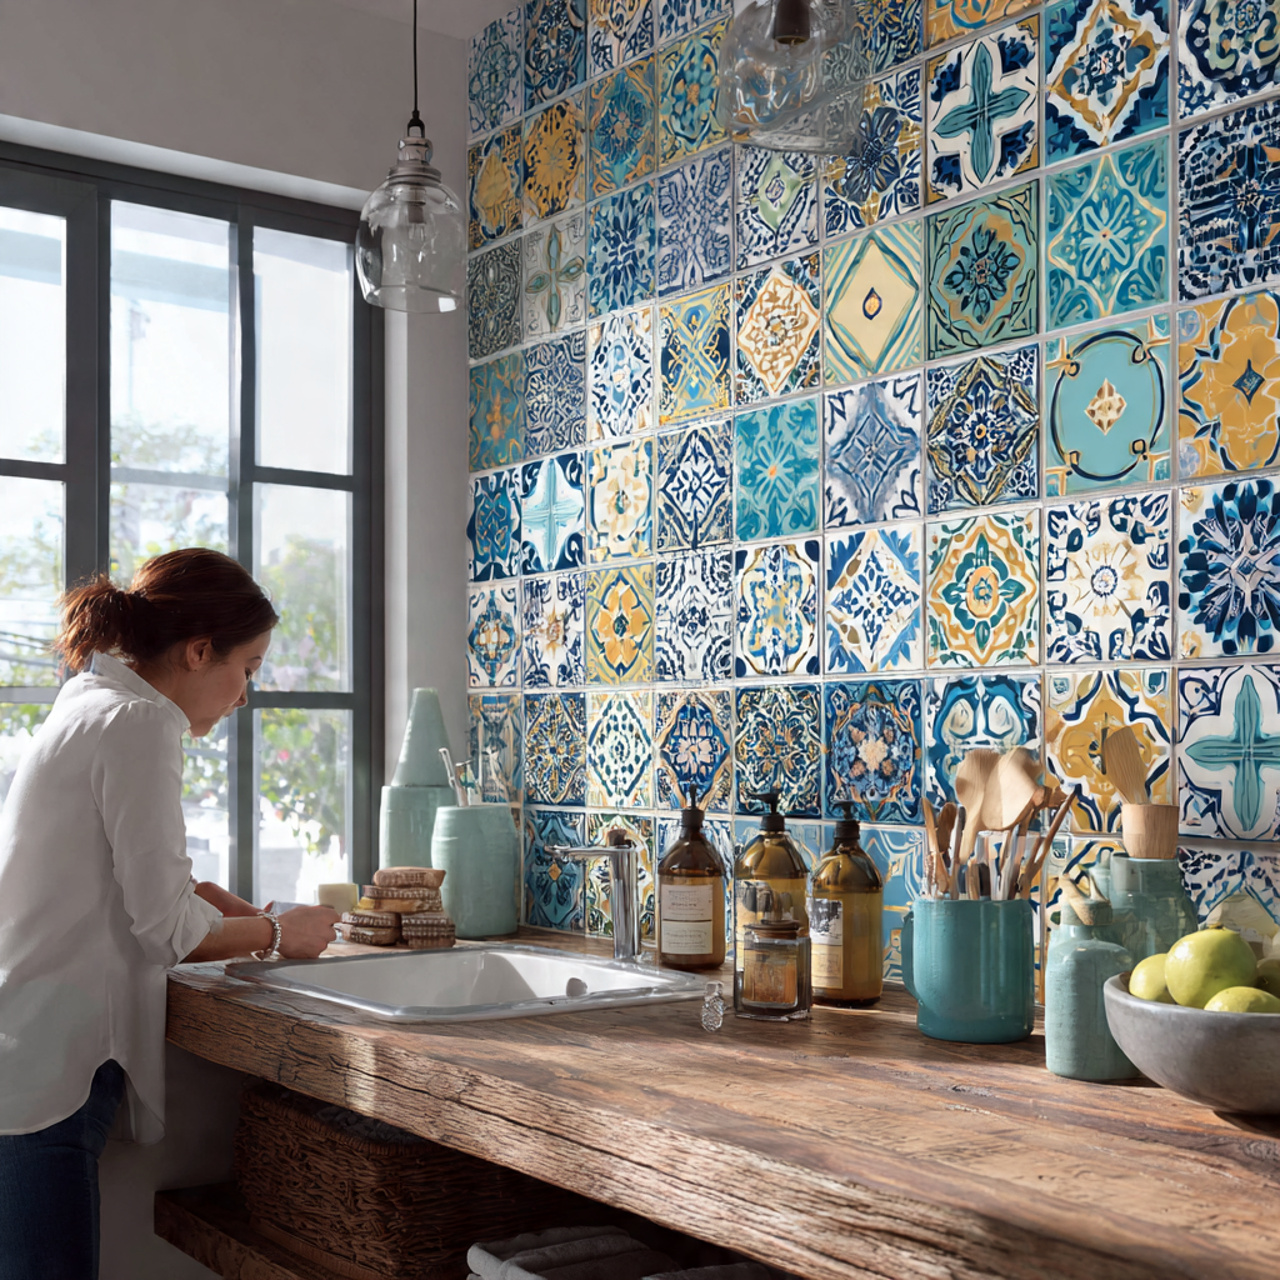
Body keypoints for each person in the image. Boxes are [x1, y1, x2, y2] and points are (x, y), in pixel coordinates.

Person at [0, 548, 339, 1278]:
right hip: (46, 1062)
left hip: (22, 1040)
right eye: (247, 668)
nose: (247, 694)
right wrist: (283, 933)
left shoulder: (88, 700)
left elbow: (101, 879)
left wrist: (205, 900)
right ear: (197, 651)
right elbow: (166, 930)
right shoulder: (141, 724)